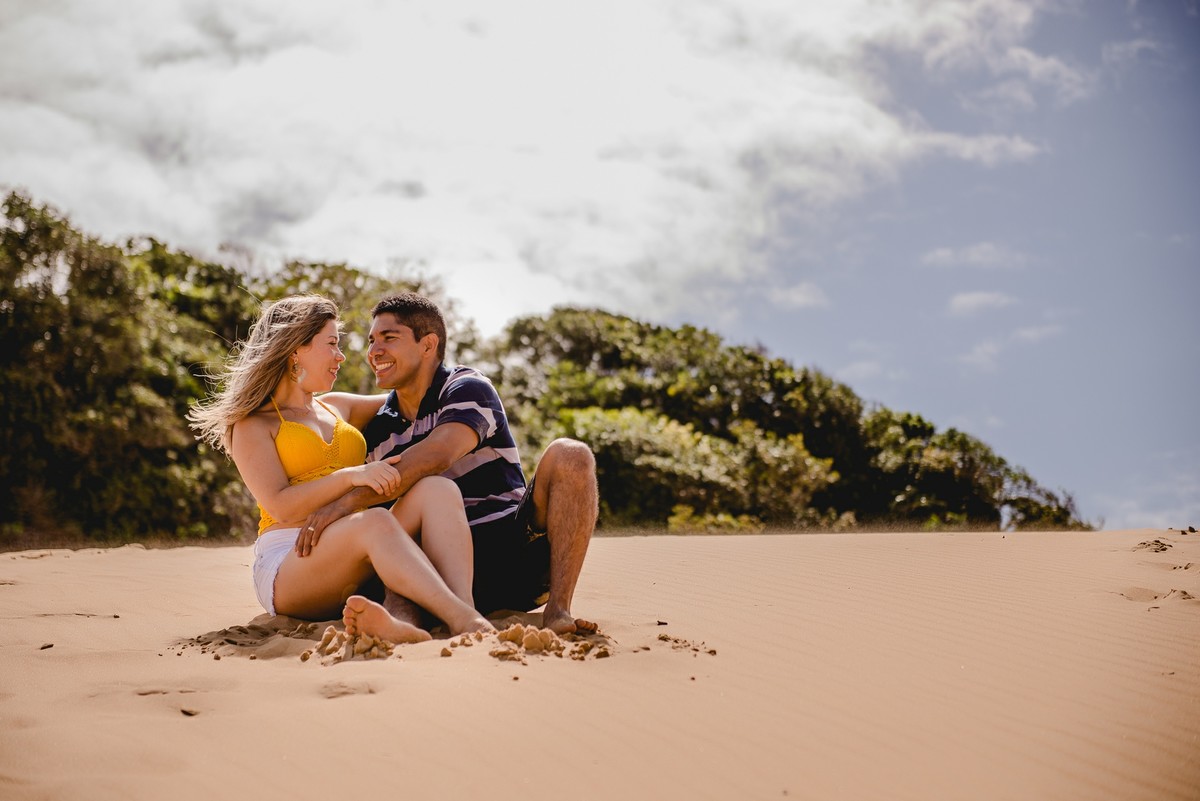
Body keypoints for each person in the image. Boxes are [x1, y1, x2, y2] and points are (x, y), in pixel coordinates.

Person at [187, 294, 492, 643]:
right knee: (375, 521)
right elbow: (280, 506)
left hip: (354, 543)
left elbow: (415, 391)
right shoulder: (253, 424)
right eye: (331, 344)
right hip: (291, 558)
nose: (341, 356)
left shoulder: (336, 407)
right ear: (295, 350)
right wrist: (350, 476)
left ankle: (463, 609)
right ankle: (463, 619)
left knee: (437, 489)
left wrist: (469, 385)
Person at [307, 292, 599, 635]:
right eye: (372, 341)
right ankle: (402, 624)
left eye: (389, 338)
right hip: (434, 572)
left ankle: (559, 610)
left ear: (428, 345)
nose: (374, 351)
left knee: (571, 454)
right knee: (393, 533)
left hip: (510, 553)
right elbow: (307, 412)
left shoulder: (467, 388)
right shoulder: (377, 427)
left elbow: (438, 454)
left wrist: (344, 504)